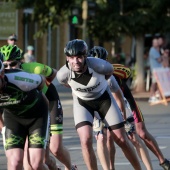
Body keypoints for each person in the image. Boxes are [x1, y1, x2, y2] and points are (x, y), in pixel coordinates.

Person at [57, 39, 142, 170]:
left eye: (79, 57)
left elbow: (110, 73)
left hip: (104, 100)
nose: (75, 62)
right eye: (71, 58)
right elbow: (66, 84)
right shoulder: (63, 74)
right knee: (85, 140)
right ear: (67, 58)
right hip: (83, 103)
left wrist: (100, 88)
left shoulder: (100, 65)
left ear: (85, 56)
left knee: (121, 139)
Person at [90, 46, 170, 170]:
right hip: (105, 105)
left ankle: (162, 160)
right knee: (109, 137)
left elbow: (127, 73)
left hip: (125, 101)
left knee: (139, 133)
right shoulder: (87, 72)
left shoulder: (113, 72)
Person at [0, 45, 77, 170]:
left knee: (55, 149)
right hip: (20, 111)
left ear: (21, 62)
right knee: (29, 160)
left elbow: (55, 75)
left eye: (13, 64)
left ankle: (70, 168)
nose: (9, 68)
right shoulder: (6, 79)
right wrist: (4, 129)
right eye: (5, 65)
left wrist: (75, 89)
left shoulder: (32, 69)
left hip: (47, 102)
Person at [0, 58, 50, 170]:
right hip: (13, 118)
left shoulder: (19, 78)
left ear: (2, 75)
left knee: (36, 164)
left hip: (37, 116)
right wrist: (3, 129)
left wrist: (48, 114)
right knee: (14, 162)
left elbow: (42, 81)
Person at [148, 37, 163, 103]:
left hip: (158, 70)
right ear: (153, 43)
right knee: (154, 83)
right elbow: (159, 60)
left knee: (157, 83)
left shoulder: (157, 50)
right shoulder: (152, 50)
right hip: (155, 70)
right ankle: (151, 96)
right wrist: (164, 56)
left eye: (157, 42)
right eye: (156, 43)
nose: (157, 44)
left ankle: (157, 95)